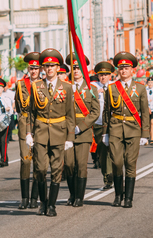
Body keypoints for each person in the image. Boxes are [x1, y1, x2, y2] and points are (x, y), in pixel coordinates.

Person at [26, 48, 75, 217]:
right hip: (40, 132)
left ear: (57, 68)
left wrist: (70, 137)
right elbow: (31, 112)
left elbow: (70, 114)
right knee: (39, 169)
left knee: (56, 169)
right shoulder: (36, 86)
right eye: (46, 66)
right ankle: (43, 202)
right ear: (43, 68)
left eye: (52, 66)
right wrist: (28, 133)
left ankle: (51, 205)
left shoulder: (67, 88)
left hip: (59, 132)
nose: (49, 69)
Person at [102, 51, 149, 208]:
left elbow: (144, 112)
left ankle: (128, 198)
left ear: (132, 70)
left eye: (126, 68)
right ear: (118, 71)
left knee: (130, 162)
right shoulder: (111, 88)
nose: (123, 71)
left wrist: (145, 134)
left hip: (133, 129)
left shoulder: (140, 88)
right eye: (121, 68)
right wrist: (105, 133)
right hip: (115, 129)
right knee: (116, 162)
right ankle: (117, 195)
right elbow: (106, 111)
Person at [64, 53, 99, 207]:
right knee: (69, 164)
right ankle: (72, 193)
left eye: (78, 68)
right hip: (67, 131)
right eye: (73, 68)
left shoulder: (91, 89)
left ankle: (79, 197)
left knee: (81, 165)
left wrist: (82, 126)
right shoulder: (64, 87)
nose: (76, 70)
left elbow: (95, 111)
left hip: (83, 131)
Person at [15, 52, 41, 209]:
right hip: (25, 123)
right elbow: (18, 104)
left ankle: (34, 198)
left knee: (39, 161)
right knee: (25, 160)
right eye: (31, 68)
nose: (33, 71)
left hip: (40, 123)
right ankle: (24, 197)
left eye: (36, 68)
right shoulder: (20, 84)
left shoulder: (44, 84)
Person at [91, 61, 115, 189]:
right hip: (99, 124)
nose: (103, 77)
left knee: (115, 151)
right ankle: (107, 177)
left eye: (106, 74)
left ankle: (114, 174)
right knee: (102, 152)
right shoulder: (92, 86)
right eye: (101, 75)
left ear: (110, 75)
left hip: (113, 124)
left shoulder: (115, 86)